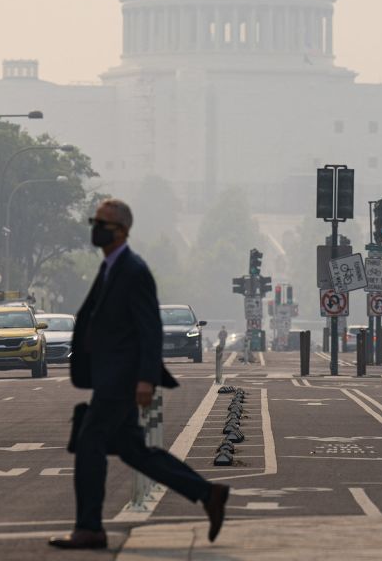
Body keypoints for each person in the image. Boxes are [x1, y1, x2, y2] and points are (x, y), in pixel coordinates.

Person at [50, 198, 230, 550]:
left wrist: (146, 377)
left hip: (120, 378)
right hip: (109, 375)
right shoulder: (110, 268)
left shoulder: (133, 270)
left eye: (102, 223)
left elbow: (149, 329)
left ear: (122, 231)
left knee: (90, 443)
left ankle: (89, 528)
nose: (95, 229)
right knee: (134, 451)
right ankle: (208, 494)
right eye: (95, 222)